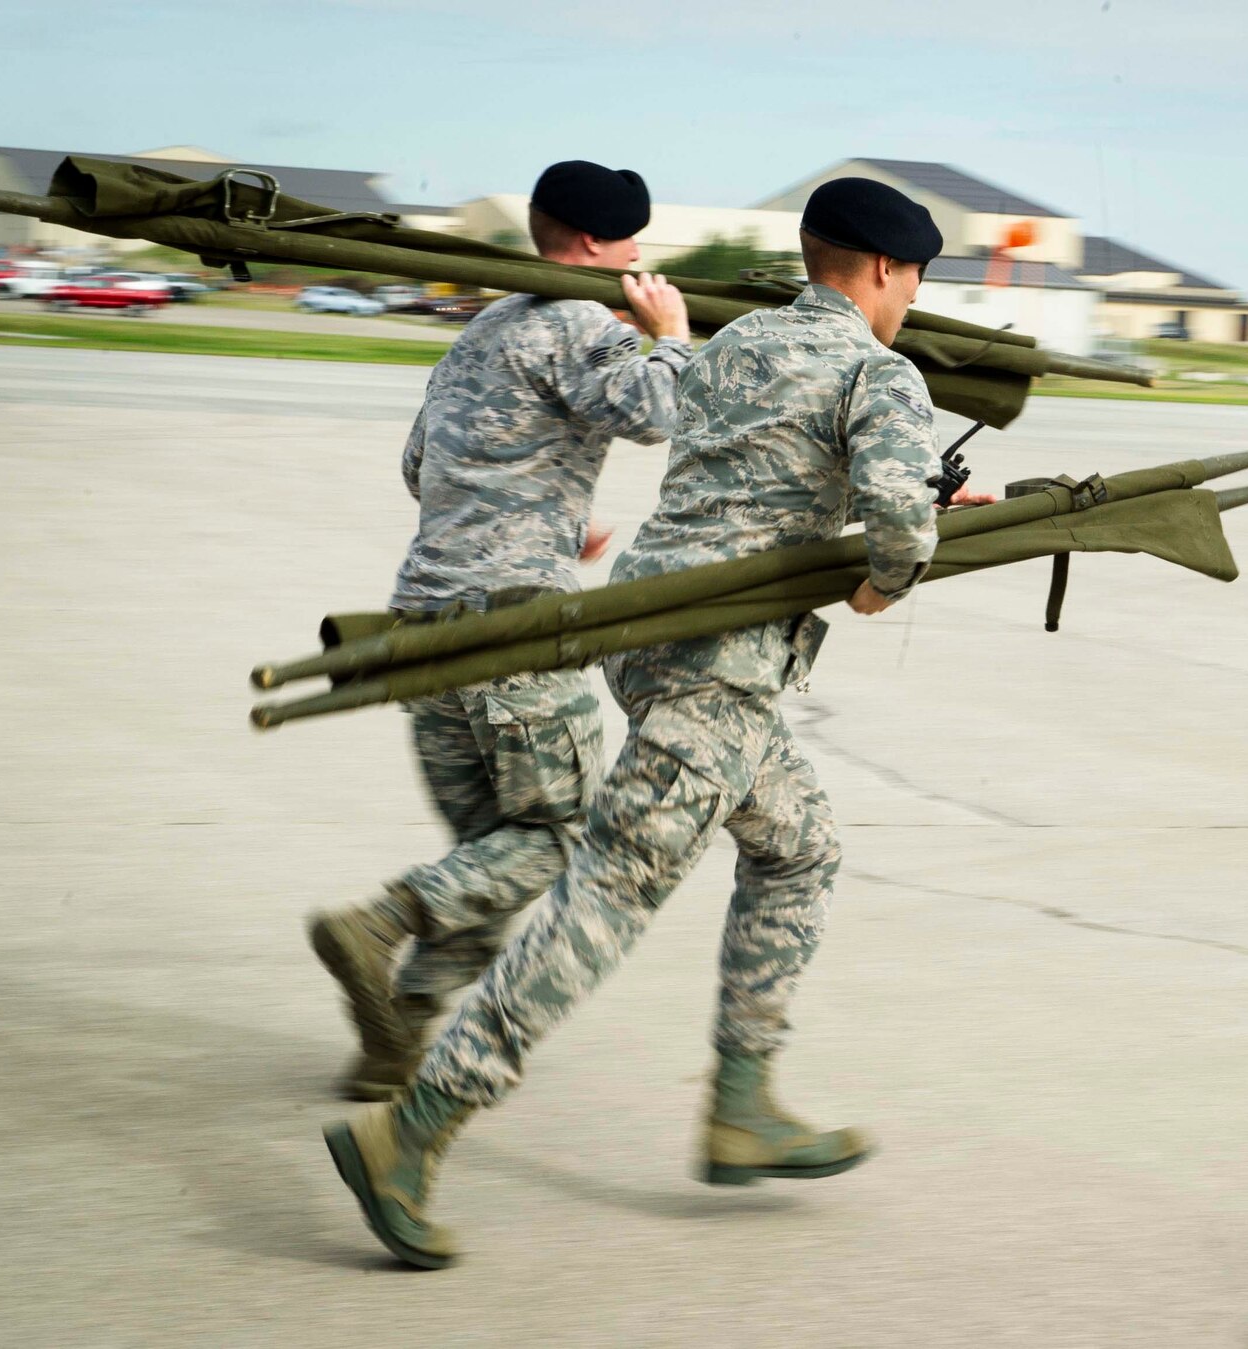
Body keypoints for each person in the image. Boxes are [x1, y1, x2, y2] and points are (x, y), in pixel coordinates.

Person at [323, 177, 993, 1269]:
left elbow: (765, 473)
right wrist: (890, 567)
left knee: (800, 849)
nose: (911, 300)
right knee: (603, 899)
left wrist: (915, 497)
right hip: (715, 676)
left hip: (658, 641)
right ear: (881, 270)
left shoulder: (734, 346)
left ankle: (742, 1099)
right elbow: (891, 536)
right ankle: (411, 1128)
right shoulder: (880, 370)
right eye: (913, 279)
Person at [307, 160, 691, 1102]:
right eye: (632, 238)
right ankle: (384, 919)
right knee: (559, 838)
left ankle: (395, 1036)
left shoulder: (482, 326)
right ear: (598, 244)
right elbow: (665, 411)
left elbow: (419, 464)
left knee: (492, 847)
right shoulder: (582, 322)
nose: (640, 254)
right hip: (514, 627)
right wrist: (671, 335)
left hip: (423, 622)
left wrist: (549, 515)